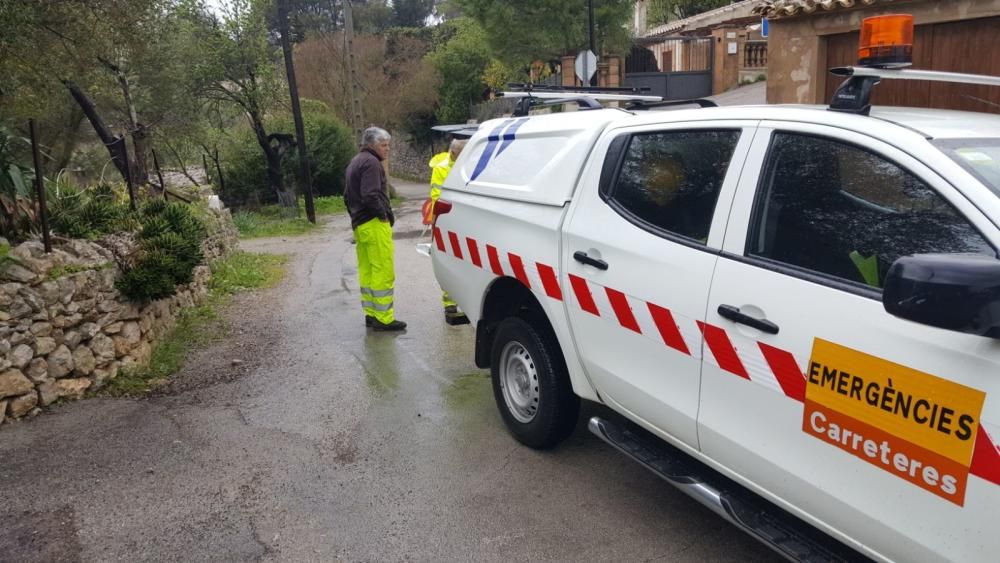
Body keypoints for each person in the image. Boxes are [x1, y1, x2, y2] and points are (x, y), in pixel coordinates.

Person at [345, 127, 406, 332]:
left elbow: (347, 196)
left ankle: (371, 314)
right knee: (383, 270)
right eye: (383, 145)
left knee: (367, 270)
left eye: (388, 144)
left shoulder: (356, 161)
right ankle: (384, 318)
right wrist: (383, 215)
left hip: (361, 225)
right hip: (373, 223)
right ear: (371, 144)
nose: (387, 149)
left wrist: (356, 218)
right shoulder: (371, 163)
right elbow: (370, 194)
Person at [428, 138, 468, 324]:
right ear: (453, 153)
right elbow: (437, 197)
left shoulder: (467, 163)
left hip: (465, 222)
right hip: (447, 221)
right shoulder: (442, 168)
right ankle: (449, 305)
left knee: (466, 262)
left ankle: (465, 303)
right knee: (448, 260)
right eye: (461, 154)